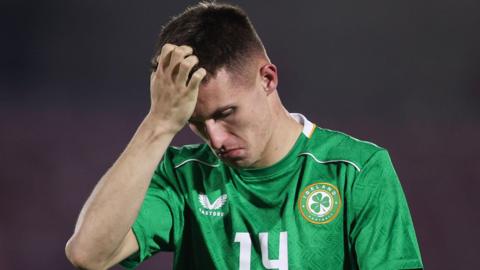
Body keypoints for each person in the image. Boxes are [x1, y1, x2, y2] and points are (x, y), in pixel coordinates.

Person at [65, 2, 423, 269]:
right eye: (196, 122)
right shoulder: (183, 176)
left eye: (225, 114)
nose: (216, 139)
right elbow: (88, 254)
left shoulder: (357, 170)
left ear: (267, 79)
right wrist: (159, 123)